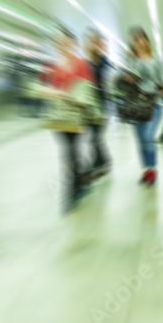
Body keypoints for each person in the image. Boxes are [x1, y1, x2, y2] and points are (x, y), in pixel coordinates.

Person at [42, 28, 95, 212]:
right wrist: (49, 91)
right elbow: (50, 87)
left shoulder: (81, 64)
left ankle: (70, 195)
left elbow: (85, 90)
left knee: (70, 154)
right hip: (59, 117)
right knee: (70, 154)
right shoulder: (55, 65)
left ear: (72, 43)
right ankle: (83, 180)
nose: (60, 45)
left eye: (64, 41)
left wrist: (62, 93)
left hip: (76, 116)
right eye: (57, 42)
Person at [123, 27, 163, 185]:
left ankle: (153, 168)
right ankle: (146, 170)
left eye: (141, 38)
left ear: (147, 41)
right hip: (136, 105)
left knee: (148, 137)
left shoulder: (157, 61)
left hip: (154, 104)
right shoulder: (132, 61)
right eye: (135, 39)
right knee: (140, 139)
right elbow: (128, 81)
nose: (138, 42)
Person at [85, 29, 112, 181]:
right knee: (93, 138)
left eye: (97, 42)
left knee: (95, 138)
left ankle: (103, 163)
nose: (94, 44)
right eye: (92, 41)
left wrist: (100, 52)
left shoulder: (104, 62)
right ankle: (101, 163)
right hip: (88, 106)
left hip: (101, 105)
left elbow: (105, 77)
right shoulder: (85, 62)